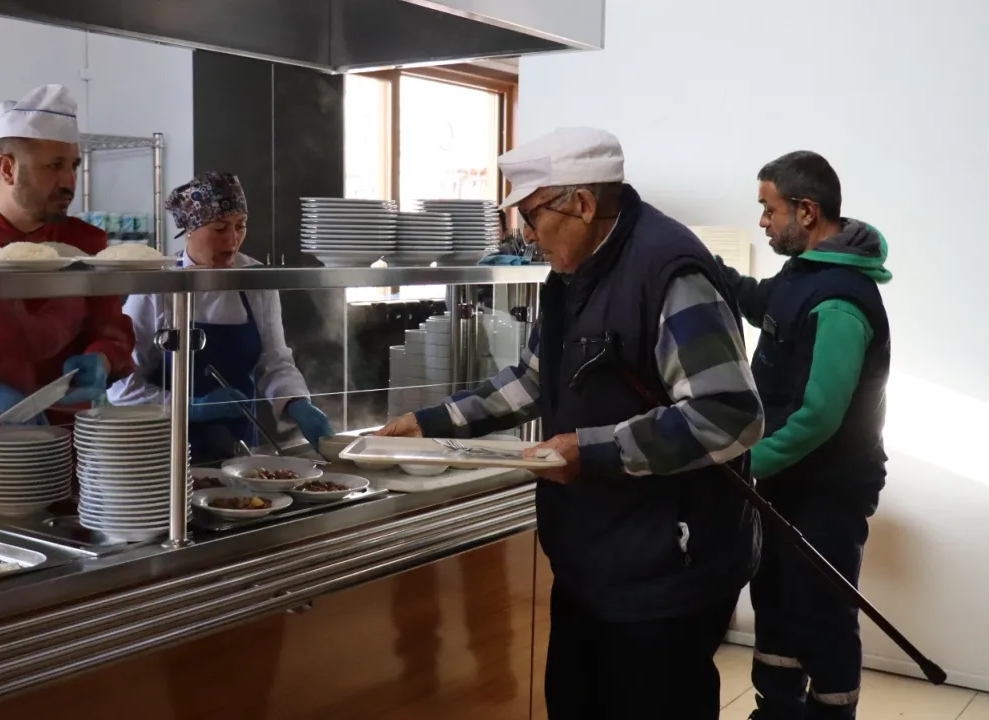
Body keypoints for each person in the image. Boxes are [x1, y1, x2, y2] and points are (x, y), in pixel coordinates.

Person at [376, 127, 765, 718]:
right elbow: (534, 379)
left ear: (581, 203)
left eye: (533, 217)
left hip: (667, 570)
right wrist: (429, 422)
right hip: (590, 559)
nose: (527, 236)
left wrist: (593, 451)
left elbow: (728, 413)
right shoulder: (572, 274)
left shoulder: (669, 271)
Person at [716, 152, 891, 720]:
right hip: (784, 485)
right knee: (775, 604)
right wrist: (700, 264)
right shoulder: (803, 273)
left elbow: (819, 416)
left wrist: (747, 465)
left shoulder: (841, 300)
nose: (763, 221)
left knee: (821, 615)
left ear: (807, 211)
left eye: (769, 209)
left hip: (827, 493)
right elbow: (758, 301)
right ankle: (777, 710)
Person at [0, 84, 135, 500]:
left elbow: (112, 327)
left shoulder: (87, 243)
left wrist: (103, 359)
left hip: (69, 443)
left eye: (73, 165)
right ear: (7, 168)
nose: (69, 181)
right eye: (54, 166)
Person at [107, 172, 334, 461]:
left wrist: (297, 402)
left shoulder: (255, 281)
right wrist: (190, 407)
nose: (233, 238)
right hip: (162, 450)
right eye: (219, 228)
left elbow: (274, 362)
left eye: (241, 225)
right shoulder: (157, 287)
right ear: (190, 229)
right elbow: (122, 386)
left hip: (239, 447)